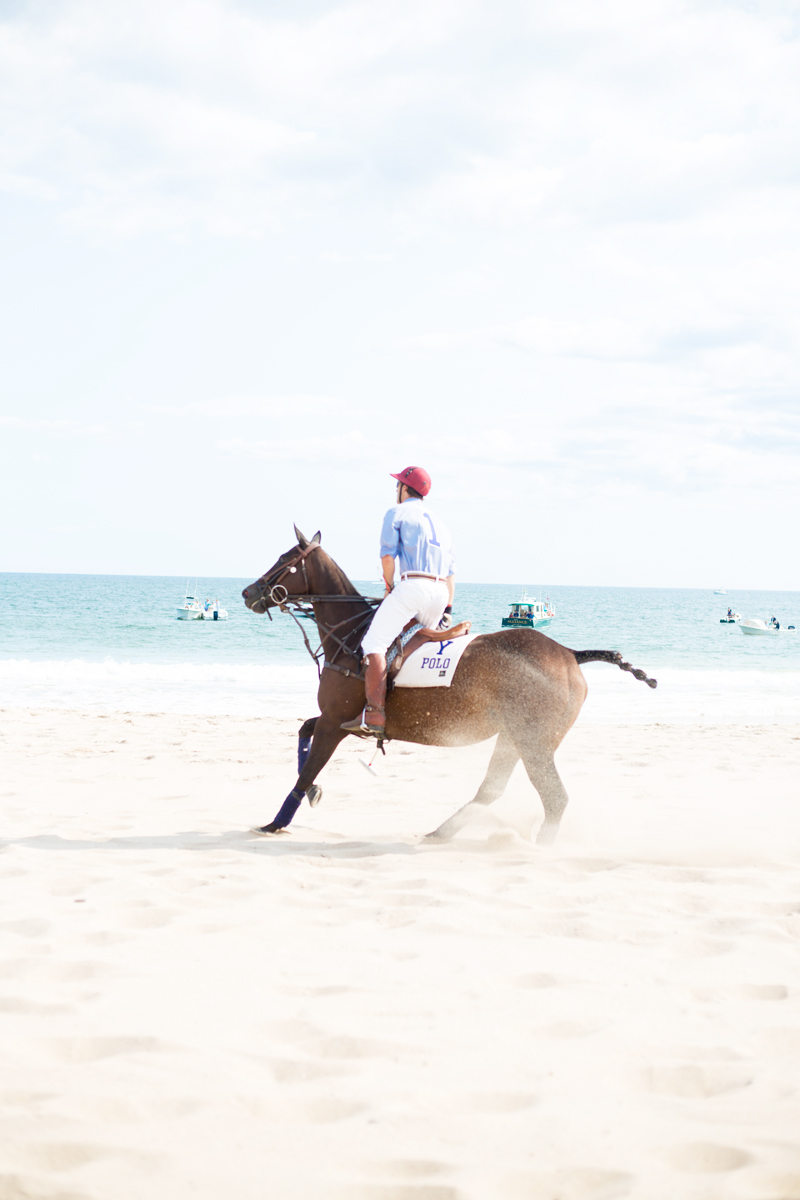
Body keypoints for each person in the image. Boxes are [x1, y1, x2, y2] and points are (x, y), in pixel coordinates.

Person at [341, 466, 455, 739]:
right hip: (440, 592)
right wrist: (448, 608)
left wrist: (390, 587)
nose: (396, 490)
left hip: (413, 585)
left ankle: (375, 711)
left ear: (404, 489)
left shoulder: (397, 512)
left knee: (373, 644)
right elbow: (451, 573)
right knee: (412, 638)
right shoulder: (440, 522)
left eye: (398, 486)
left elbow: (388, 558)